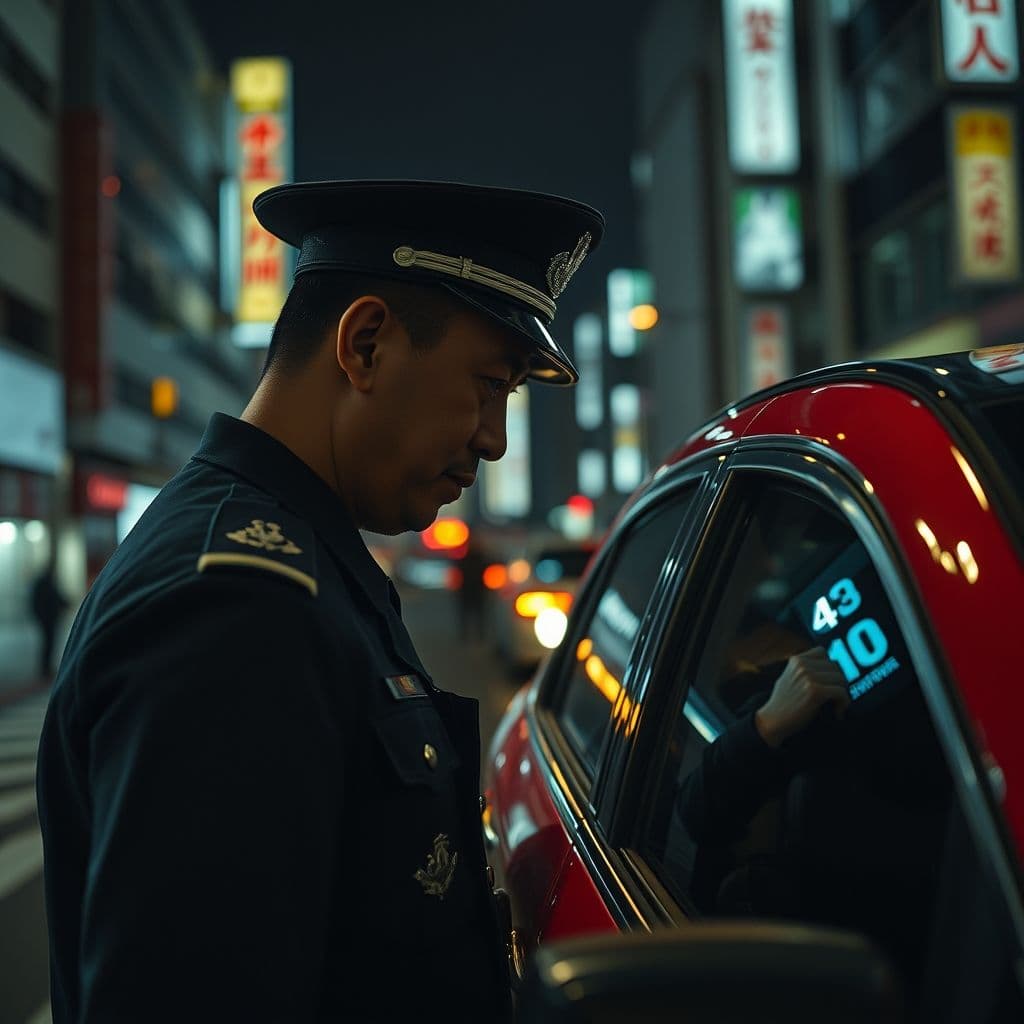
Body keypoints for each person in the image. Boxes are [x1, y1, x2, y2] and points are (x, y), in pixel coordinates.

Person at [35, 179, 604, 1023]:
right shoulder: (236, 607)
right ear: (366, 344)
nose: (495, 437)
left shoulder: (292, 556)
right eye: (489, 385)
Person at [29, 561, 68, 678]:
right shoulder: (46, 583)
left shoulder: (44, 582)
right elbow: (53, 598)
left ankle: (46, 667)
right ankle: (45, 668)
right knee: (48, 643)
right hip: (48, 618)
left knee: (48, 643)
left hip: (47, 618)